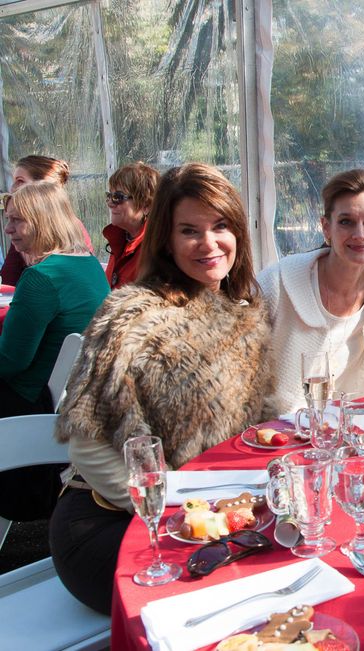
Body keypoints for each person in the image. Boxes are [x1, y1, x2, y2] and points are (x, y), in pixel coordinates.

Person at [49, 163, 273, 614]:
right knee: (235, 588)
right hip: (110, 522)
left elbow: (249, 429)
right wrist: (169, 510)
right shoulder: (131, 315)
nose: (209, 244)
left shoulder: (245, 315)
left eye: (221, 226)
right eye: (189, 230)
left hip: (201, 514)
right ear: (167, 241)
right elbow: (86, 443)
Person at [0, 183, 109, 523]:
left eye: (17, 221)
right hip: (72, 399)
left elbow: (9, 363)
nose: (8, 230)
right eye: (8, 220)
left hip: (27, 404)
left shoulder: (40, 278)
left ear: (44, 221)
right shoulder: (89, 265)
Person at [258, 169, 364, 413]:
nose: (360, 234)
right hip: (282, 433)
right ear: (326, 227)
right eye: (346, 222)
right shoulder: (279, 281)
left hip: (356, 427)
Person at [0, 155, 93, 285]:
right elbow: (8, 278)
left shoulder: (69, 230)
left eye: (20, 181)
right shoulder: (22, 229)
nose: (12, 188)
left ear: (42, 188)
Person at [103, 161, 160, 289]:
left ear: (146, 205)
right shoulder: (120, 240)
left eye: (118, 197)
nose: (110, 203)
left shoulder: (155, 249)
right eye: (109, 196)